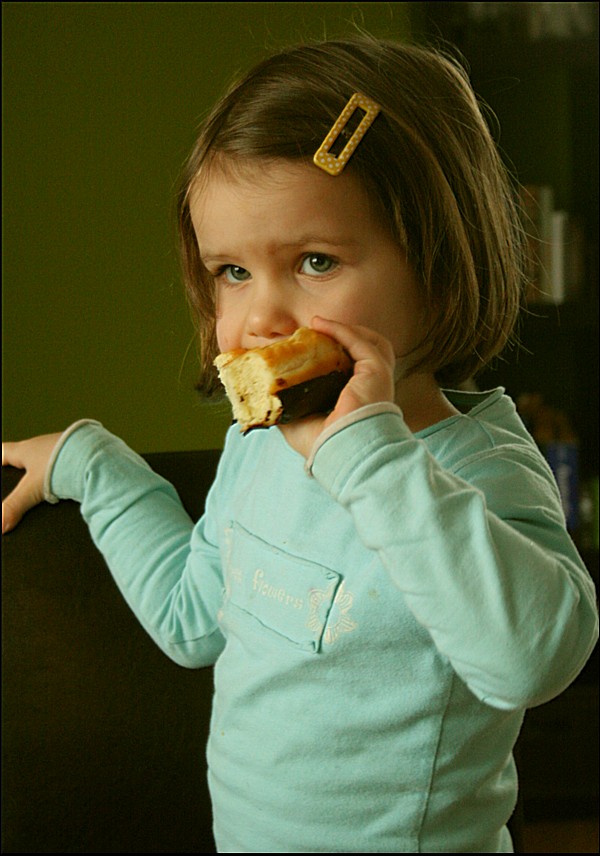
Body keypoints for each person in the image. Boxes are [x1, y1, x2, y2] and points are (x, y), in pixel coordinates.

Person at [2, 35, 598, 853]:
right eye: (232, 273)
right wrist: (90, 464)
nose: (260, 318)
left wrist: (368, 459)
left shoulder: (478, 465)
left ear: (438, 267)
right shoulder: (259, 448)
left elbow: (534, 663)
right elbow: (192, 619)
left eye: (315, 261)